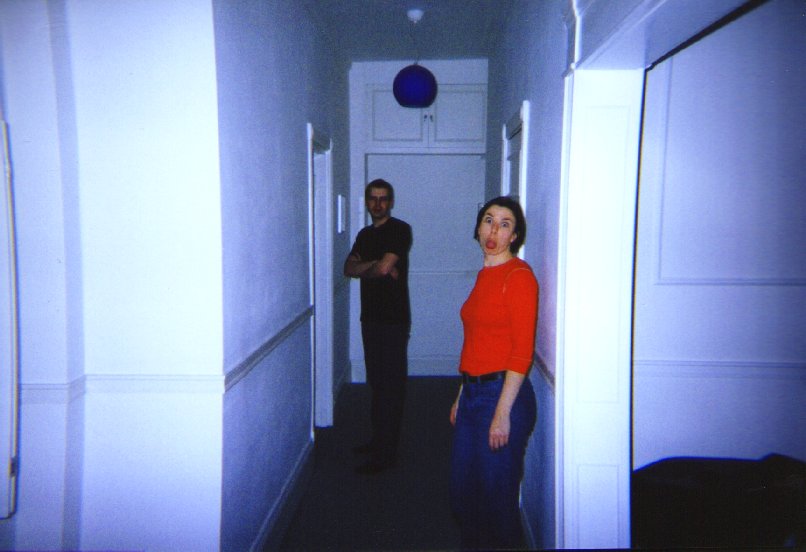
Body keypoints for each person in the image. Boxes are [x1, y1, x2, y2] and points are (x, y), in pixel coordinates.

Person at [449, 196, 538, 549]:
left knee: (496, 501)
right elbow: (476, 342)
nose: (494, 230)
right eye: (488, 220)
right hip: (474, 394)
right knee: (462, 492)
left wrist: (501, 415)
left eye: (504, 224)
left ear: (514, 236)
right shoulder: (485, 275)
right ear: (478, 228)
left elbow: (521, 352)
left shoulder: (519, 277)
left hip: (502, 397)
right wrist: (462, 394)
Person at [344, 179, 412, 475]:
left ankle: (387, 454)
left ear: (391, 202)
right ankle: (377, 440)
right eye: (373, 198)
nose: (378, 204)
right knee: (377, 383)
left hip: (394, 320)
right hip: (370, 319)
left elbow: (380, 268)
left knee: (391, 387)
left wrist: (372, 267)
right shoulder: (364, 234)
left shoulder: (400, 230)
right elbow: (348, 268)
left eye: (383, 199)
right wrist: (379, 267)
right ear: (367, 202)